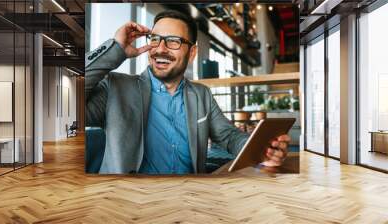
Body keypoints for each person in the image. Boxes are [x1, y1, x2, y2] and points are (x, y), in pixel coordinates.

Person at [85, 10, 291, 174]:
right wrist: (116, 49)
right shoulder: (115, 87)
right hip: (129, 203)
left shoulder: (202, 95)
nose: (160, 49)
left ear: (192, 53)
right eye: (155, 39)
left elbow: (229, 137)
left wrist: (261, 148)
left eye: (173, 41)